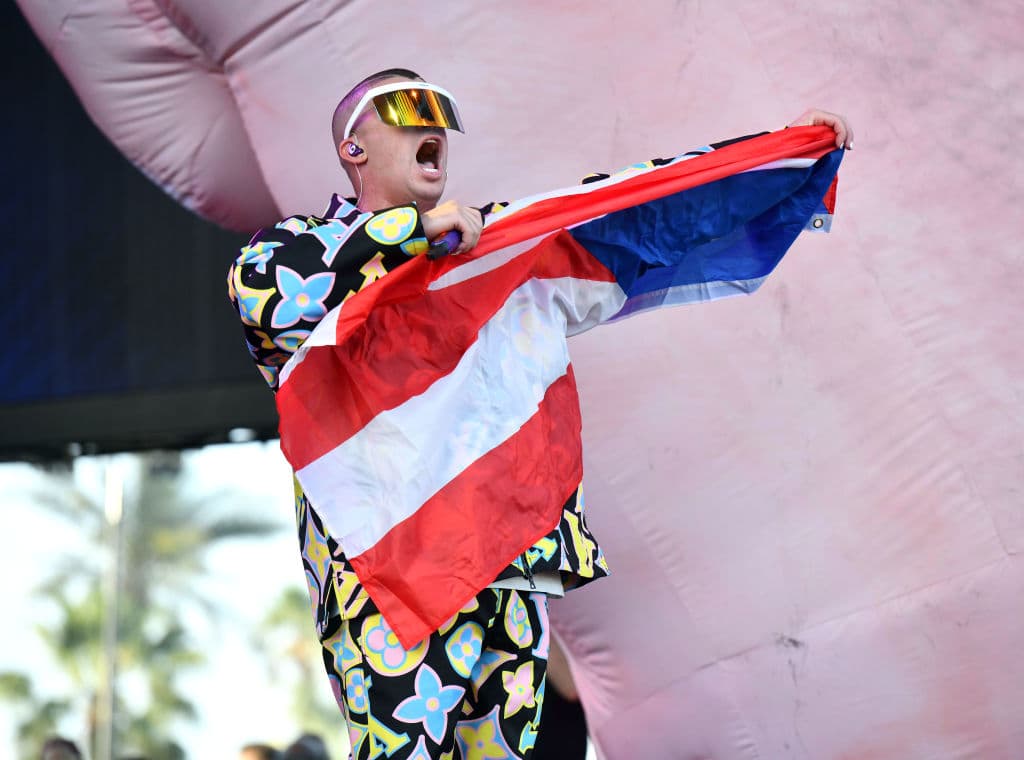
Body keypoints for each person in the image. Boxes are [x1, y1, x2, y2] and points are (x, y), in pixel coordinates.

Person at [228, 68, 851, 760]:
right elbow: (259, 291)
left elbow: (635, 207)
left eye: (442, 109)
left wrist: (783, 156)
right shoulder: (299, 256)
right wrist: (408, 232)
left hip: (506, 568)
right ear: (354, 149)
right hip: (392, 578)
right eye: (407, 107)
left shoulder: (495, 248)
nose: (432, 121)